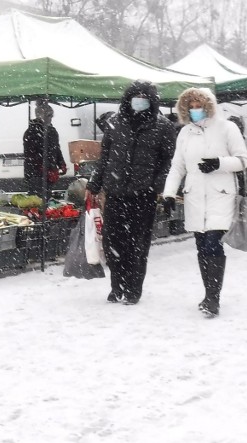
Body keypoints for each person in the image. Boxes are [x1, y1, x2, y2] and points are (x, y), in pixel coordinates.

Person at [85, 80, 176, 305]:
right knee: (112, 242)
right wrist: (94, 185)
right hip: (116, 192)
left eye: (145, 97)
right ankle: (117, 286)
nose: (139, 100)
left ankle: (134, 288)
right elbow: (104, 157)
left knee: (138, 244)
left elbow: (169, 161)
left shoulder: (162, 126)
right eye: (136, 96)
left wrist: (157, 186)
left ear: (152, 101)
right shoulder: (115, 123)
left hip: (143, 195)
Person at [162, 88, 247, 317]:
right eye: (190, 106)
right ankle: (208, 292)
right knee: (201, 246)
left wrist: (218, 163)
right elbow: (177, 166)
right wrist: (169, 193)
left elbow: (243, 160)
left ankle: (213, 298)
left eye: (198, 104)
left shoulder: (227, 128)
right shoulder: (185, 133)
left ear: (209, 105)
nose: (195, 109)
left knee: (212, 243)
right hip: (194, 196)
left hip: (220, 194)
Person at [23, 102, 67, 199]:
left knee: (46, 198)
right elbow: (30, 155)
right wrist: (43, 168)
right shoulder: (32, 132)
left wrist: (61, 164)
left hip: (48, 174)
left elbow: (56, 149)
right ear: (40, 115)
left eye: (51, 115)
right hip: (35, 175)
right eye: (49, 115)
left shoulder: (52, 131)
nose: (50, 118)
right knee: (37, 200)